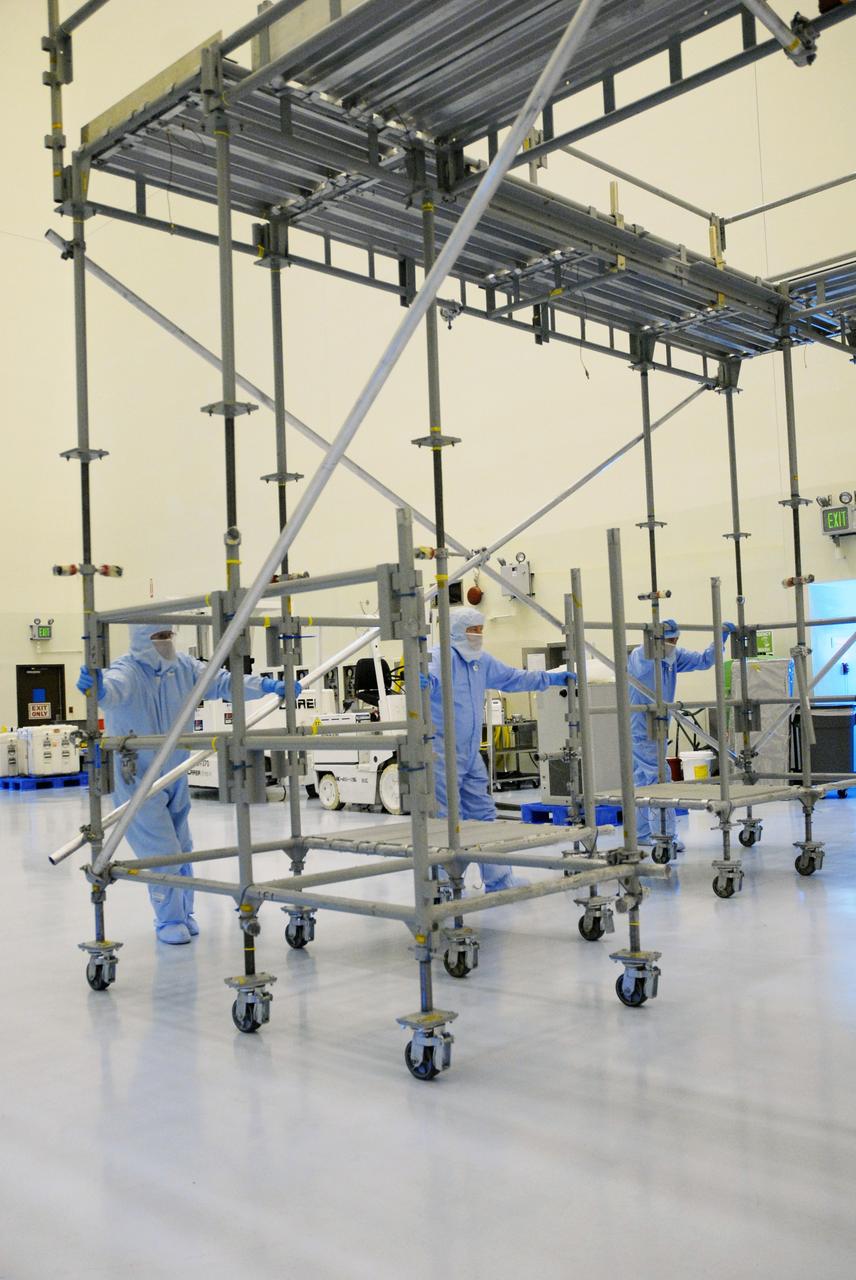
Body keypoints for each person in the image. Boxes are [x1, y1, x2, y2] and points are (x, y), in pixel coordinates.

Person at [76, 625, 300, 944]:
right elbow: (112, 692)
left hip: (175, 771)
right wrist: (98, 689)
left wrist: (267, 685)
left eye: (169, 634)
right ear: (141, 638)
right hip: (138, 776)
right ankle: (168, 919)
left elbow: (224, 682)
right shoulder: (127, 671)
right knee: (162, 851)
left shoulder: (183, 668)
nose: (165, 641)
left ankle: (184, 912)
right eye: (158, 636)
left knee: (183, 847)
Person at [425, 606, 575, 892]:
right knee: (443, 819)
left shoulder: (481, 662)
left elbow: (513, 678)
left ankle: (499, 879)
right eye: (473, 630)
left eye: (481, 630)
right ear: (456, 631)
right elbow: (424, 682)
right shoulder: (438, 658)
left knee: (484, 814)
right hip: (440, 752)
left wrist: (549, 679)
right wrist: (422, 683)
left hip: (469, 753)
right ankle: (441, 885)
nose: (478, 635)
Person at [628, 617, 736, 850]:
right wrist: (658, 643)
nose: (673, 645)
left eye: (676, 640)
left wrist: (720, 638)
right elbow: (648, 664)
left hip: (658, 725)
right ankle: (664, 837)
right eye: (669, 640)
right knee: (660, 779)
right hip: (642, 728)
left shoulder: (673, 656)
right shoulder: (640, 655)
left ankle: (642, 834)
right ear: (656, 639)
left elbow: (704, 661)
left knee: (644, 783)